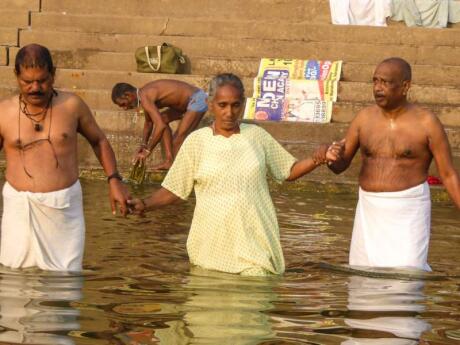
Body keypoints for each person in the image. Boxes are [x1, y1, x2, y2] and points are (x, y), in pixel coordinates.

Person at [127, 73, 339, 276]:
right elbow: (173, 190)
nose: (229, 112)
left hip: (254, 247)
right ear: (211, 105)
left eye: (235, 105)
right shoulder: (196, 141)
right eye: (222, 105)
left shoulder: (257, 136)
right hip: (209, 251)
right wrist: (145, 204)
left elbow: (288, 171)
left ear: (242, 105)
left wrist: (318, 159)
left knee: (256, 290)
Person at [0, 44, 130, 272]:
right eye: (27, 82)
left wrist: (114, 180)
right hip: (19, 209)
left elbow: (99, 141)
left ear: (53, 73)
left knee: (66, 278)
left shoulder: (72, 106)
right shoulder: (4, 112)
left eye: (42, 80)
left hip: (64, 210)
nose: (35, 88)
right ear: (16, 77)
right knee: (14, 281)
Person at [328, 57, 460, 271]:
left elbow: (448, 174)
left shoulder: (427, 122)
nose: (378, 88)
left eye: (386, 82)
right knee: (363, 280)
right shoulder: (363, 119)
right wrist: (331, 157)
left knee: (407, 275)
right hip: (368, 210)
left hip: (409, 210)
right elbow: (340, 165)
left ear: (405, 86)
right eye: (375, 81)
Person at [111, 80, 208, 170]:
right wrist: (143, 144)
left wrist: (148, 151)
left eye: (123, 104)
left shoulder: (145, 96)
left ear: (128, 95)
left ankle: (180, 173)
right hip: (185, 105)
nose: (124, 108)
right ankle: (169, 161)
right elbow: (149, 123)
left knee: (177, 140)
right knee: (164, 119)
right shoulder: (143, 96)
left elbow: (160, 125)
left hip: (197, 99)